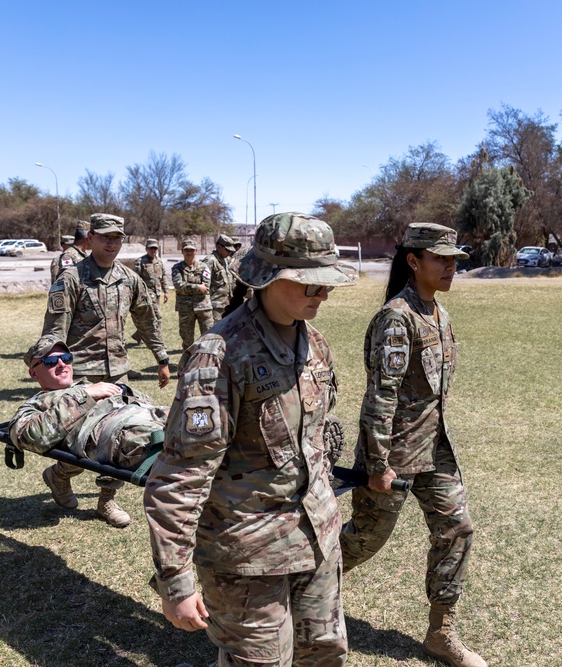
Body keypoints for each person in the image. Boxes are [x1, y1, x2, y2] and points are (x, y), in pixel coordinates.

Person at [144, 212, 356, 666]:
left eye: (326, 283)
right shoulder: (219, 354)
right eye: (309, 283)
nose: (322, 293)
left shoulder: (315, 343)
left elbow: (313, 442)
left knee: (324, 655)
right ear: (268, 277)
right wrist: (175, 581)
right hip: (246, 555)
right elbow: (181, 476)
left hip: (315, 539)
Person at [339, 223, 486, 667]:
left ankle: (441, 632)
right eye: (441, 258)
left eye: (453, 259)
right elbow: (380, 396)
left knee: (457, 528)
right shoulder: (397, 317)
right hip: (395, 453)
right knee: (365, 541)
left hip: (434, 447)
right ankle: (294, 586)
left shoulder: (438, 314)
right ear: (414, 261)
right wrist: (379, 463)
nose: (450, 267)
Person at [41, 212, 170, 527]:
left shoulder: (129, 278)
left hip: (118, 373)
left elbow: (147, 319)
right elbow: (54, 332)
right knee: (83, 442)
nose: (111, 243)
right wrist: (52, 371)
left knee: (121, 440)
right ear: (91, 239)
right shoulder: (71, 278)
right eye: (105, 237)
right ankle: (59, 474)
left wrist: (161, 357)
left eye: (117, 238)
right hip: (81, 376)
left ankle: (106, 501)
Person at [9, 336, 167, 473]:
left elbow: (147, 402)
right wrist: (85, 396)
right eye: (50, 361)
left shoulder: (88, 386)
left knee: (190, 420)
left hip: (149, 415)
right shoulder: (36, 404)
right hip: (125, 434)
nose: (62, 364)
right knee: (171, 447)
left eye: (66, 358)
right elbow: (30, 436)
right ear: (33, 373)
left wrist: (124, 391)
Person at [170, 239, 212, 351]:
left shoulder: (204, 267)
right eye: (186, 250)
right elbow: (178, 285)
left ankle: (206, 363)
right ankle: (188, 364)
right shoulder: (177, 268)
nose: (189, 252)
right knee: (187, 339)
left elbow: (206, 286)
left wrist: (186, 288)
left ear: (196, 251)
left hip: (203, 307)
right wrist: (198, 287)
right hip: (185, 309)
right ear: (182, 252)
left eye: (191, 250)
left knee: (208, 337)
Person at [132, 238, 170, 345]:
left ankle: (138, 335)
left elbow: (163, 278)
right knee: (157, 317)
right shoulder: (140, 262)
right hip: (147, 294)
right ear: (146, 249)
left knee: (149, 317)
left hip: (157, 293)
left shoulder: (159, 262)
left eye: (155, 248)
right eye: (151, 248)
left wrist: (166, 291)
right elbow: (136, 278)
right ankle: (158, 341)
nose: (153, 250)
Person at [202, 232, 241, 323]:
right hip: (215, 306)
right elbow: (204, 285)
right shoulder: (210, 261)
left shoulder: (226, 260)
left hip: (227, 303)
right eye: (227, 250)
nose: (230, 252)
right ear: (219, 247)